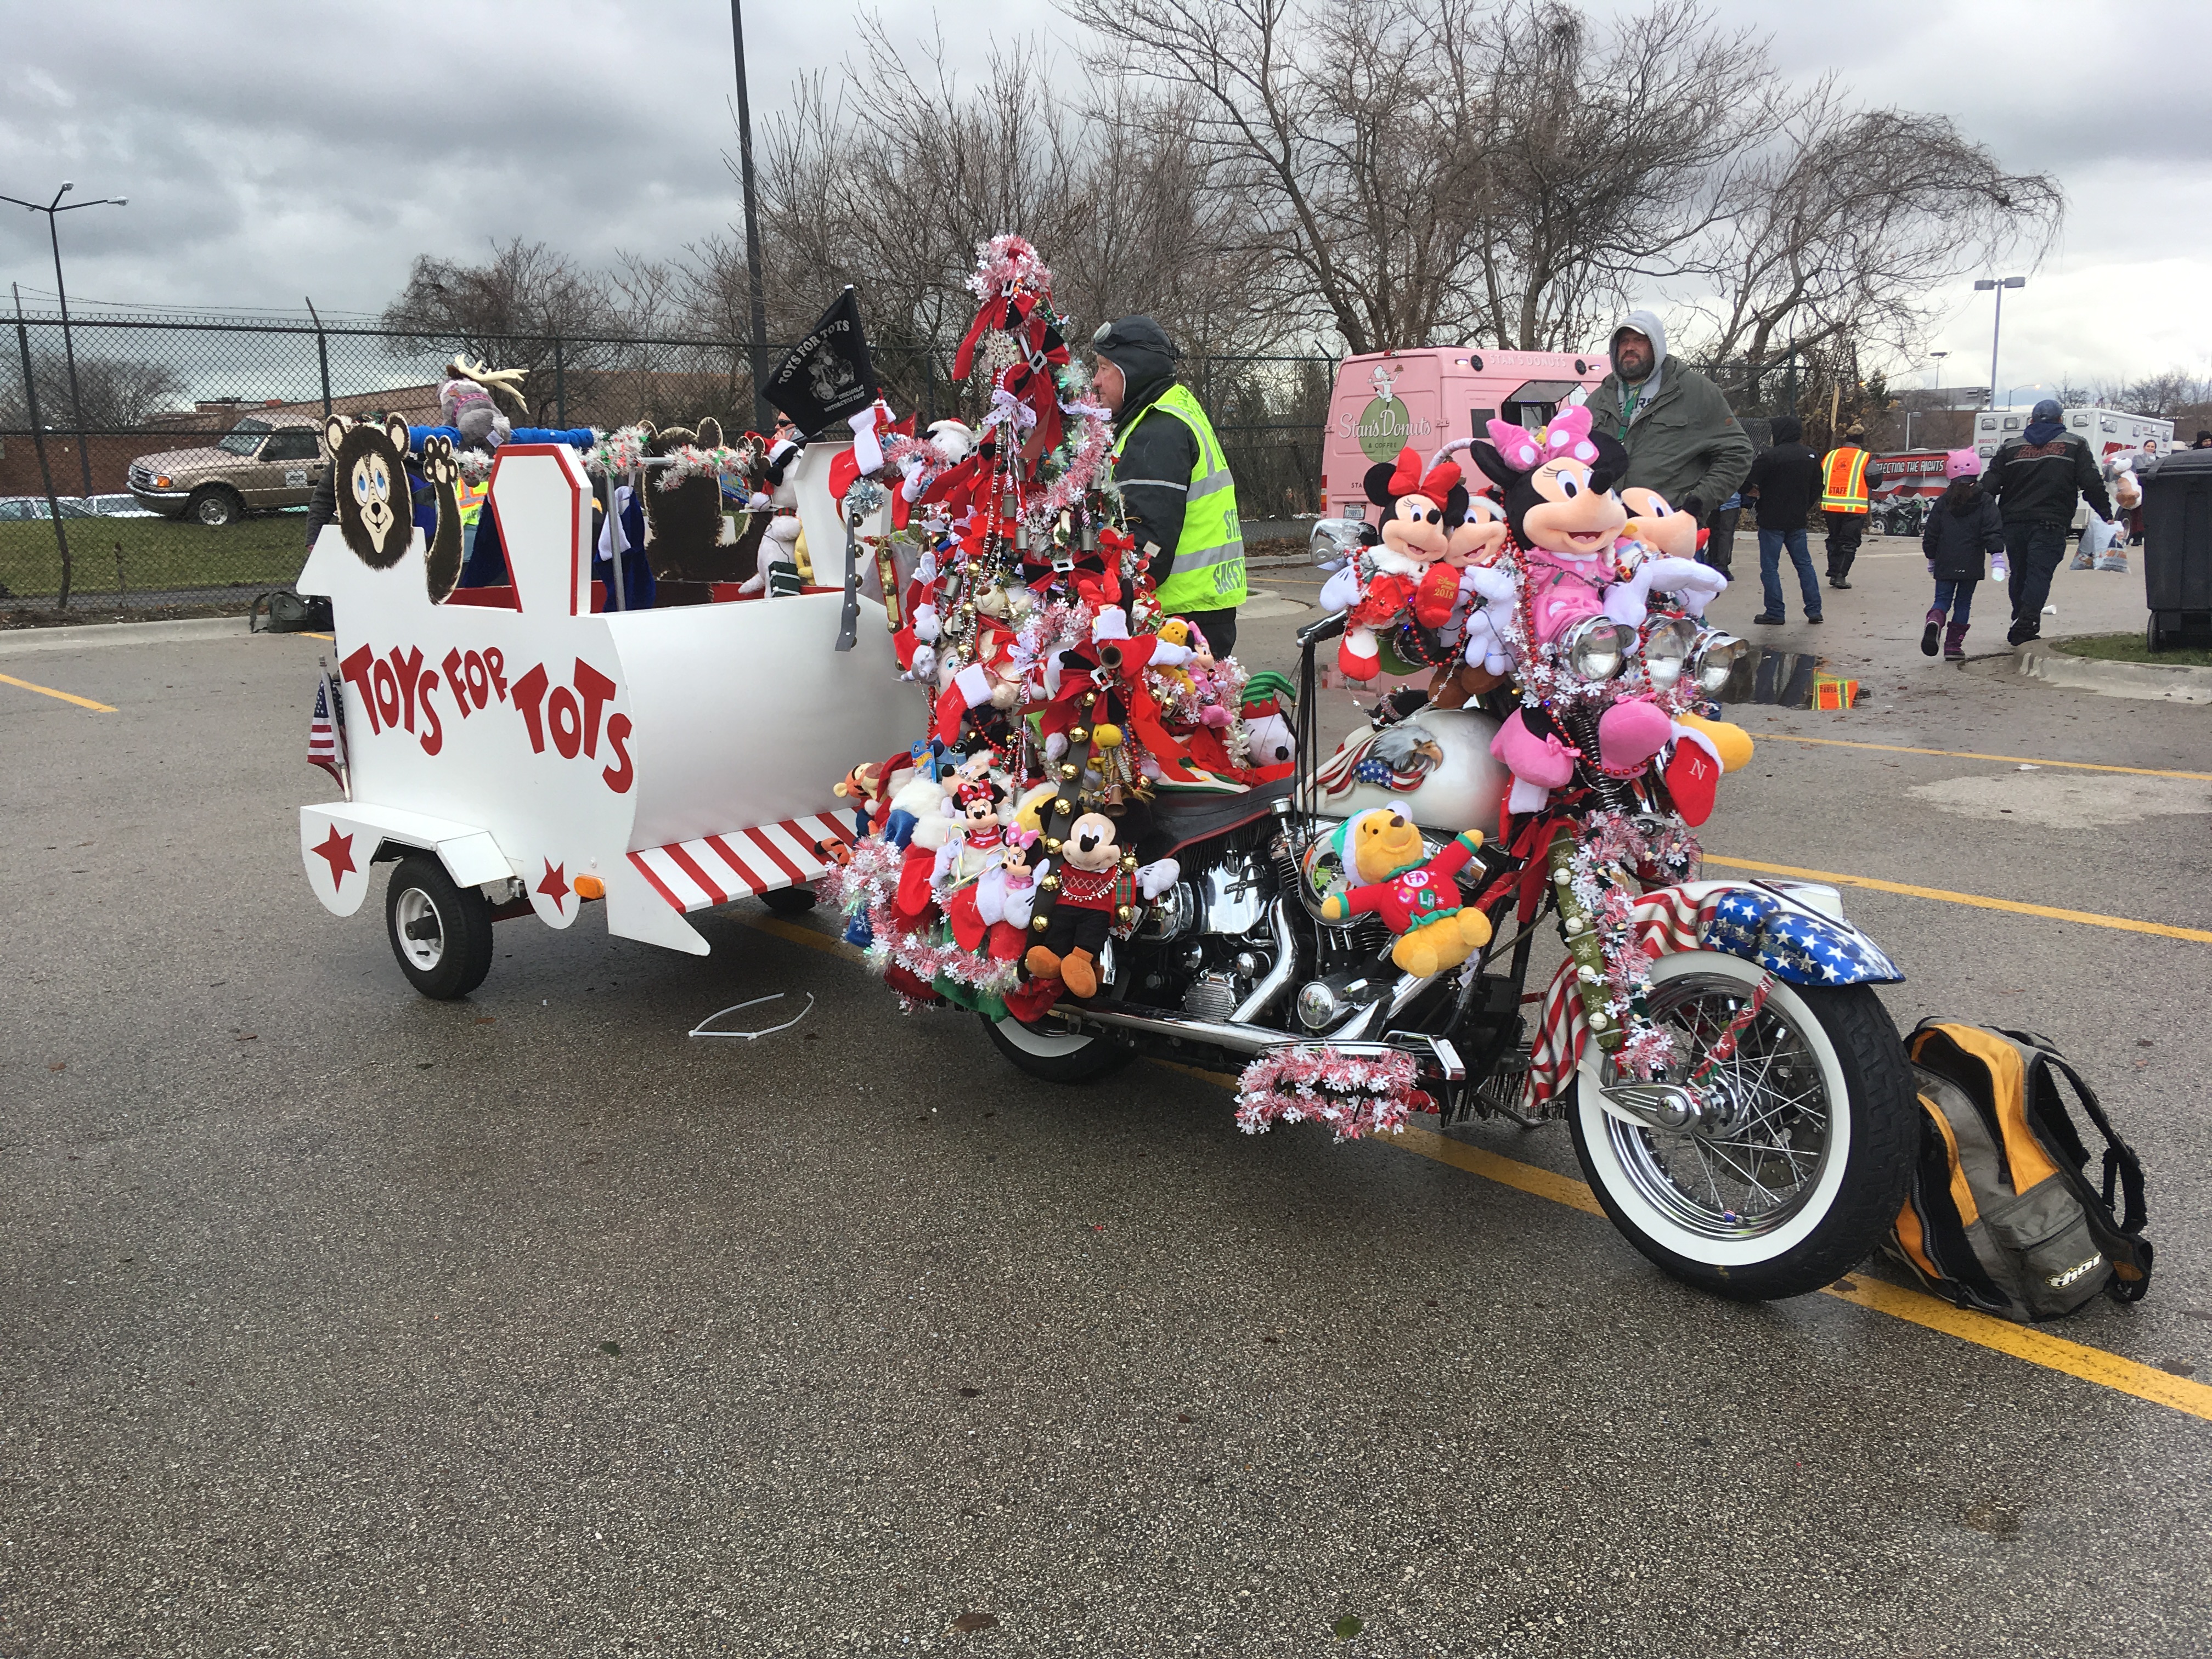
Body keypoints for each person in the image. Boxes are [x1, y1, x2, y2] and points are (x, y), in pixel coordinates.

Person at [1091, 315, 1246, 657]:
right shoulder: (1175, 409)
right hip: (1201, 611)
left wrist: (1107, 598)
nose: (1096, 380)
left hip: (1178, 618)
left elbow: (1147, 545)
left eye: (1105, 368)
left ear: (1134, 370)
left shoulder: (1156, 431)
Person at [1583, 308, 1753, 529]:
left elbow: (1737, 453)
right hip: (1605, 527)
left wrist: (1695, 503)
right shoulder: (1600, 398)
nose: (1629, 348)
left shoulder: (1695, 391)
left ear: (1656, 345)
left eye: (1639, 340)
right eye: (1624, 341)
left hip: (1668, 529)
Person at [1981, 397, 2112, 646]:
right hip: (2050, 522)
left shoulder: (2011, 447)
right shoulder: (2075, 445)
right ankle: (2026, 623)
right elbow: (2092, 483)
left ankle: (2019, 619)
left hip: (2013, 522)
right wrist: (2106, 513)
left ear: (2031, 421)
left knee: (2019, 574)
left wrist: (1980, 517)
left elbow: (1989, 485)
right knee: (2039, 574)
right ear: (2061, 421)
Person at [1920, 448, 2005, 661]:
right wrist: (1997, 556)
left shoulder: (1943, 501)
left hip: (1945, 560)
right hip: (1971, 561)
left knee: (1942, 600)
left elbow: (1932, 532)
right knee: (1963, 603)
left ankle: (1934, 622)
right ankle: (1953, 646)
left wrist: (1931, 557)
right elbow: (1992, 529)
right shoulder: (1985, 500)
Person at [1742, 415, 1824, 625]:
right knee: (1804, 565)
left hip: (1771, 519)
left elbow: (1746, 482)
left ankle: (1776, 612)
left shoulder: (1770, 457)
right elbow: (1818, 487)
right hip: (1797, 520)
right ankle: (1814, 610)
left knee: (1770, 568)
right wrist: (1804, 506)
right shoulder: (1811, 456)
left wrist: (1753, 494)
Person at [1818, 423, 1884, 589]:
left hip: (1831, 506)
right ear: (1861, 440)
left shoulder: (1831, 456)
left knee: (1834, 539)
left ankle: (1833, 573)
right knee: (1849, 542)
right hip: (1854, 508)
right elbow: (1875, 480)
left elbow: (1818, 478)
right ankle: (1840, 576)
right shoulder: (1865, 458)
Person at [1702, 488, 1741, 579]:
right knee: (1726, 533)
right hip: (1731, 497)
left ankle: (1711, 561)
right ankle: (1722, 566)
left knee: (1712, 532)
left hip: (1712, 496)